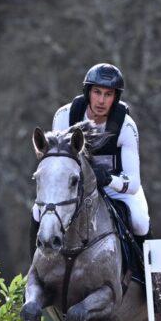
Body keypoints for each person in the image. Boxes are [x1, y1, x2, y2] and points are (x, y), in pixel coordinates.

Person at [31, 63, 150, 261]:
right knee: (37, 212)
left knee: (140, 221)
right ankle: (34, 266)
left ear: (115, 97)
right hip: (75, 187)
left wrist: (109, 179)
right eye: (97, 92)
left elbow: (134, 183)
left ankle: (148, 279)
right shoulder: (65, 116)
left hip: (115, 186)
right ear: (88, 92)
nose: (101, 100)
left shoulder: (126, 126)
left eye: (108, 94)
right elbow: (57, 163)